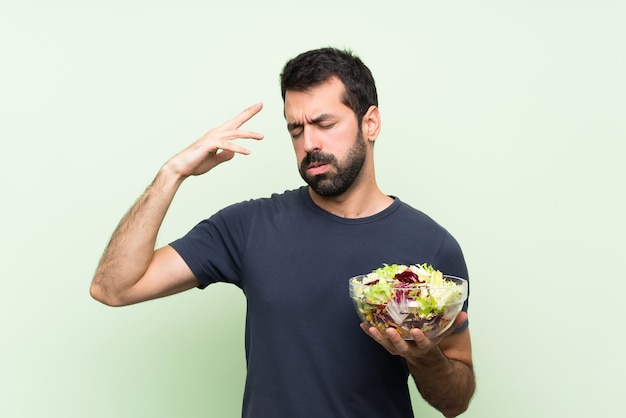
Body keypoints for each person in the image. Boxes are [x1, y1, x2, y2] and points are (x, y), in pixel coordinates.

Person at [90, 47, 475, 418]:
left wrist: (425, 357)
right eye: (296, 130)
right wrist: (172, 173)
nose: (310, 144)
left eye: (325, 124)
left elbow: (455, 401)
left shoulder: (431, 247)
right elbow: (114, 288)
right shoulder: (248, 226)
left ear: (369, 123)